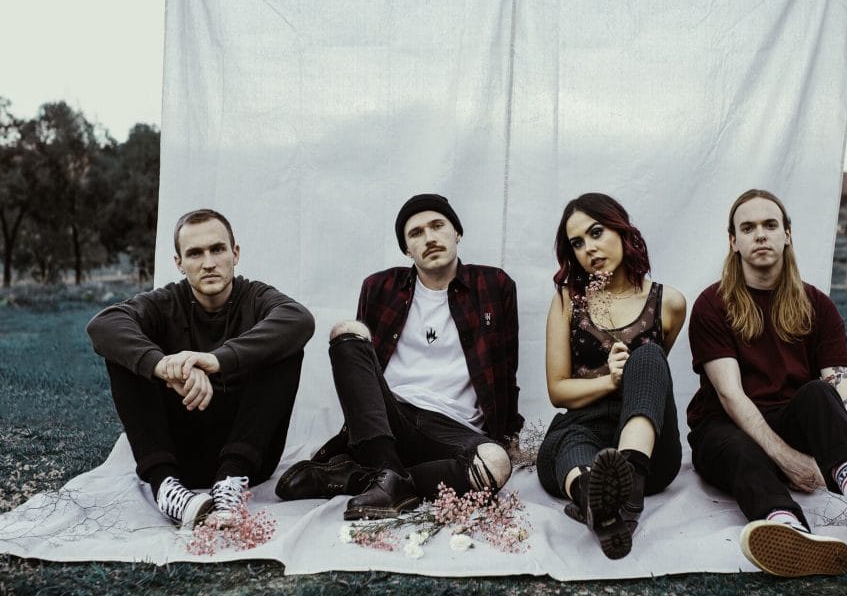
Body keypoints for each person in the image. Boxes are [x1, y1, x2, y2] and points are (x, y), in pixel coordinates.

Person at [687, 189, 847, 577]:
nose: (760, 234)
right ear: (733, 241)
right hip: (725, 427)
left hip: (792, 421)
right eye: (748, 228)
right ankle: (787, 529)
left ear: (787, 234)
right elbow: (730, 395)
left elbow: (842, 396)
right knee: (740, 448)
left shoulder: (817, 305)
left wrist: (824, 457)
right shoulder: (713, 304)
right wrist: (787, 459)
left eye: (770, 225)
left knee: (821, 393)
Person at [276, 194, 522, 520]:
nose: (429, 238)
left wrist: (509, 437)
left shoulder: (493, 285)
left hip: (454, 429)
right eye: (416, 233)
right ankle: (387, 468)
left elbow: (506, 368)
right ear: (407, 249)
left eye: (438, 226)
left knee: (495, 464)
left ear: (457, 233)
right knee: (347, 332)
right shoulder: (380, 287)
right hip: (392, 417)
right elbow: (362, 374)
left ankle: (365, 478)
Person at [87, 209, 315, 528]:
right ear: (179, 263)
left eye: (217, 249)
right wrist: (163, 365)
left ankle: (229, 485)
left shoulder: (256, 298)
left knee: (286, 348)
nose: (208, 263)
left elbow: (299, 320)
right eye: (195, 253)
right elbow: (103, 325)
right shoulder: (164, 303)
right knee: (125, 356)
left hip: (249, 461)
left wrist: (215, 360)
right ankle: (166, 490)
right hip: (179, 458)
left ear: (235, 254)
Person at [535, 193, 686, 559]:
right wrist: (610, 380)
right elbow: (557, 390)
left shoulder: (669, 303)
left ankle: (628, 486)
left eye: (596, 232)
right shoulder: (569, 300)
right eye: (577, 243)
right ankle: (594, 501)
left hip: (650, 451)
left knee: (649, 354)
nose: (589, 248)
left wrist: (630, 371)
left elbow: (653, 380)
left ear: (621, 230)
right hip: (585, 429)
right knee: (570, 443)